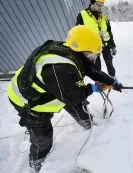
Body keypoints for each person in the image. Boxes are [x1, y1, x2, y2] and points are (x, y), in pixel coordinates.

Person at [7, 25, 122, 172]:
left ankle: (86, 122)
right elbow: (72, 97)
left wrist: (111, 81)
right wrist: (93, 88)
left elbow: (90, 69)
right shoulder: (60, 68)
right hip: (28, 100)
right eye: (94, 54)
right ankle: (36, 160)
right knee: (43, 137)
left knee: (78, 105)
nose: (95, 58)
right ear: (85, 52)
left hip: (55, 86)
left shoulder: (73, 51)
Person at [76, 0, 117, 79]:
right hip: (93, 47)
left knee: (109, 62)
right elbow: (78, 32)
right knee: (96, 66)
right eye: (98, 5)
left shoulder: (103, 17)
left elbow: (108, 32)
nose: (100, 7)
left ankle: (113, 76)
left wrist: (113, 46)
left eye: (102, 5)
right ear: (92, 2)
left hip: (105, 45)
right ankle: (100, 80)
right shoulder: (82, 15)